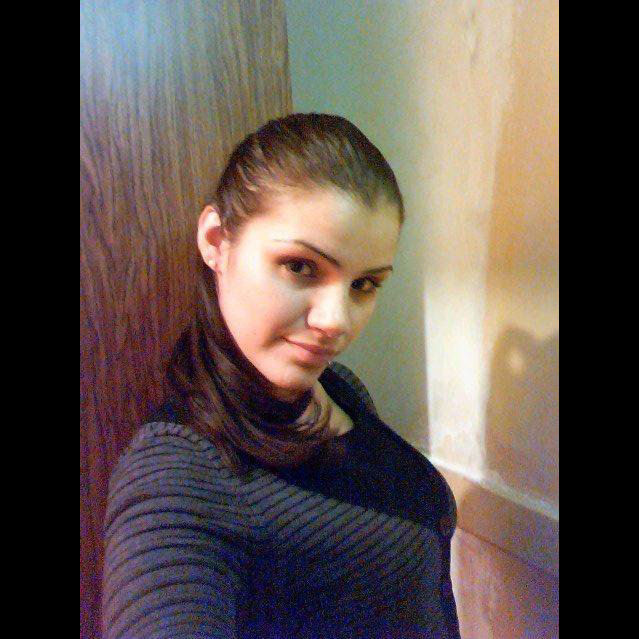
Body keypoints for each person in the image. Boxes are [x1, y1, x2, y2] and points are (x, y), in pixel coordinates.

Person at [102, 113, 461, 638]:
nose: (336, 321)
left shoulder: (338, 389)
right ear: (216, 240)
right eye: (300, 266)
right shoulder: (177, 475)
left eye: (364, 285)